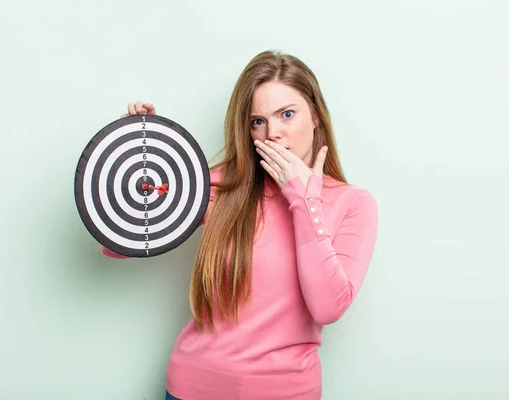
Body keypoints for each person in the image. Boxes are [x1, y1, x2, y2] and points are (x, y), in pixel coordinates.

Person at [101, 50, 379, 400]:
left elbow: (328, 306)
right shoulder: (219, 185)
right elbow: (117, 242)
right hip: (191, 388)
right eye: (257, 121)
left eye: (287, 115)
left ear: (316, 118)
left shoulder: (353, 204)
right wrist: (144, 151)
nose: (272, 133)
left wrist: (304, 199)